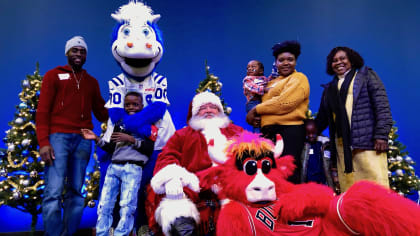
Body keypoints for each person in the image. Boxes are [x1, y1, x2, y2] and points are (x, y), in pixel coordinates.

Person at [36, 36, 108, 236]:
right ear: (67, 53)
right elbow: (42, 112)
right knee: (53, 192)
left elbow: (102, 112)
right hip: (58, 138)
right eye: (74, 50)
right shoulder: (53, 76)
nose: (78, 54)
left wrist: (123, 106)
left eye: (82, 51)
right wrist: (43, 142)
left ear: (86, 55)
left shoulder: (91, 82)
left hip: (83, 141)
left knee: (77, 192)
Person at [146, 91, 243, 236]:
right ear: (195, 113)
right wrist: (173, 177)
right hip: (195, 184)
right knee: (170, 194)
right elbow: (167, 156)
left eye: (213, 107)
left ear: (220, 111)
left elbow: (252, 153)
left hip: (230, 183)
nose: (209, 110)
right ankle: (183, 228)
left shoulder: (236, 132)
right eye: (203, 107)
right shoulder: (182, 135)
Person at [315, 46, 393, 192]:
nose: (339, 62)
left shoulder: (365, 77)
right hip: (342, 147)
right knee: (350, 189)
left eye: (342, 58)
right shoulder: (329, 89)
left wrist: (381, 135)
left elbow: (382, 106)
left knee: (375, 187)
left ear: (351, 60)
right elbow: (322, 118)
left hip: (367, 143)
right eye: (334, 60)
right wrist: (306, 131)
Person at [81, 91, 157, 236]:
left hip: (133, 168)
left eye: (135, 104)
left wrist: (131, 139)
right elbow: (110, 148)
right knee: (105, 204)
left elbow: (149, 149)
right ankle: (102, 232)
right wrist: (96, 138)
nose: (131, 107)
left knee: (127, 205)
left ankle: (122, 233)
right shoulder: (120, 123)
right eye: (127, 104)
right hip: (114, 166)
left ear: (142, 105)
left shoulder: (147, 124)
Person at [246, 40, 310, 184]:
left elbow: (284, 103)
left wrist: (256, 110)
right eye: (281, 60)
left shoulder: (299, 78)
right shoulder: (270, 83)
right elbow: (263, 103)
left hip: (290, 131)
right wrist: (255, 116)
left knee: (287, 171)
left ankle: (290, 205)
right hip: (268, 133)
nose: (286, 63)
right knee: (268, 171)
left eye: (290, 59)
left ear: (295, 61)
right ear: (276, 62)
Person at [300, 119, 338, 192]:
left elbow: (331, 164)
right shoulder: (303, 146)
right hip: (308, 186)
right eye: (308, 133)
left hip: (323, 184)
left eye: (313, 133)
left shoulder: (325, 144)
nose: (311, 136)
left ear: (317, 131)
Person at [242, 60, 270, 133]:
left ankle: (266, 135)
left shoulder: (263, 78)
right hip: (253, 103)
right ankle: (257, 138)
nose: (250, 69)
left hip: (262, 102)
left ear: (261, 71)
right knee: (257, 121)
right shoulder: (247, 79)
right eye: (248, 68)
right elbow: (252, 87)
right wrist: (264, 89)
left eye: (253, 67)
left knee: (264, 120)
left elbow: (269, 82)